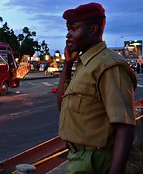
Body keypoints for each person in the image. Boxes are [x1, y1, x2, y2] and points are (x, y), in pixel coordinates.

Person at [56, 3, 137, 174]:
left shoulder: (109, 66)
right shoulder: (85, 64)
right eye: (68, 29)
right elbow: (61, 105)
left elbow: (126, 125)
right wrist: (67, 63)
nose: (67, 35)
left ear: (93, 28)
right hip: (78, 158)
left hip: (96, 161)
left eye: (74, 29)